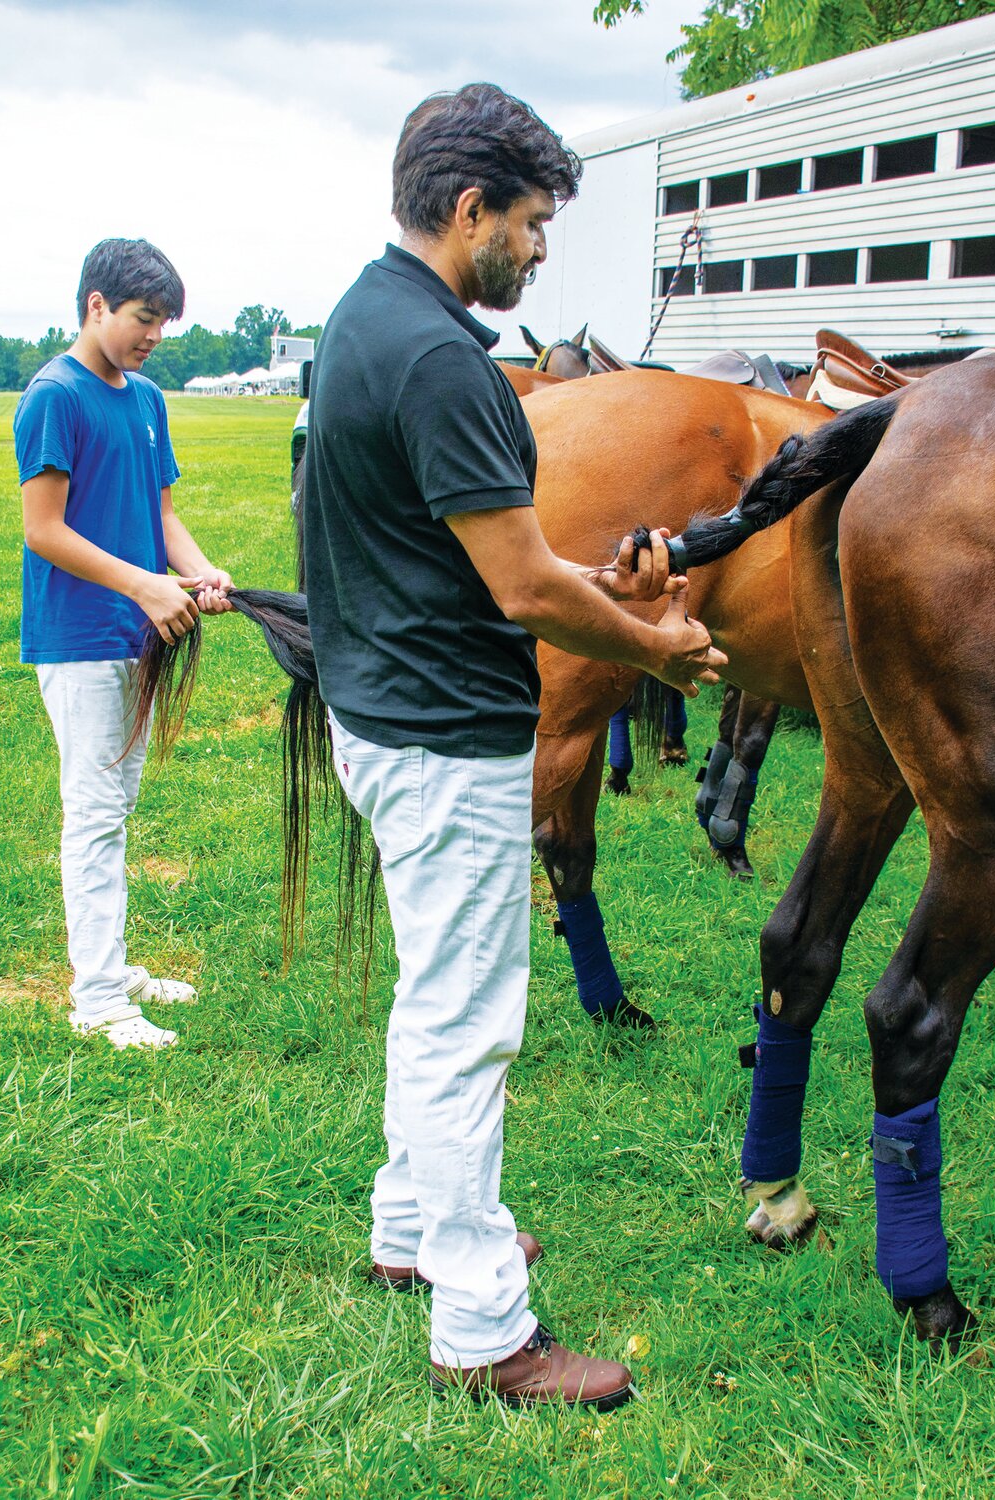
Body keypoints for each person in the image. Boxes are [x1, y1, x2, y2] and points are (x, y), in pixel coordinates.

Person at [301, 84, 726, 1410]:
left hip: (384, 712)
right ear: (469, 210)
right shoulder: (439, 361)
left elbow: (467, 550)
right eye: (532, 224)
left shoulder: (365, 319)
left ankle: (405, 1230)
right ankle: (484, 1324)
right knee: (467, 1027)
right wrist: (653, 643)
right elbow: (526, 587)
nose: (539, 251)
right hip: (440, 737)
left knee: (432, 998)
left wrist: (585, 583)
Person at [16, 238, 234, 1050]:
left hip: (138, 634)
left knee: (117, 809)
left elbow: (163, 515)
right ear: (96, 305)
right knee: (95, 817)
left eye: (165, 324)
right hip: (80, 641)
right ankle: (100, 997)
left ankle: (112, 965)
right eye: (144, 319)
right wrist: (140, 584)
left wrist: (199, 572)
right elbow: (43, 531)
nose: (155, 337)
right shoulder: (53, 397)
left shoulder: (146, 398)